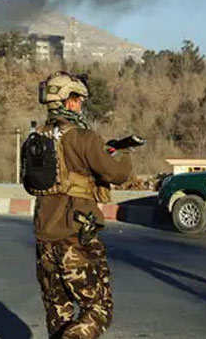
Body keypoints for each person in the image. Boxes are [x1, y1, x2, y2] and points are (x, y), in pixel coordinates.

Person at [24, 72, 133, 339]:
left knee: (58, 312)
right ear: (69, 101)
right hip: (75, 234)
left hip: (44, 235)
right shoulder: (83, 137)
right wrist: (124, 153)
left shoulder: (35, 138)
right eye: (79, 99)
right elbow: (117, 174)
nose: (81, 104)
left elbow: (28, 183)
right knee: (99, 309)